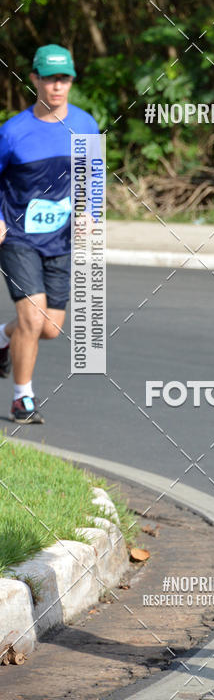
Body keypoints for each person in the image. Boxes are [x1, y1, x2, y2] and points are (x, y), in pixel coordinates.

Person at [0, 44, 100, 424]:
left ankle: (2, 338)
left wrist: (89, 211)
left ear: (71, 81)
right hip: (18, 236)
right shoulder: (13, 132)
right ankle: (22, 399)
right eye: (49, 78)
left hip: (60, 238)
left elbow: (92, 172)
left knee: (51, 328)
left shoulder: (86, 124)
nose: (57, 86)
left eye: (64, 79)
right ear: (35, 80)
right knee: (33, 316)